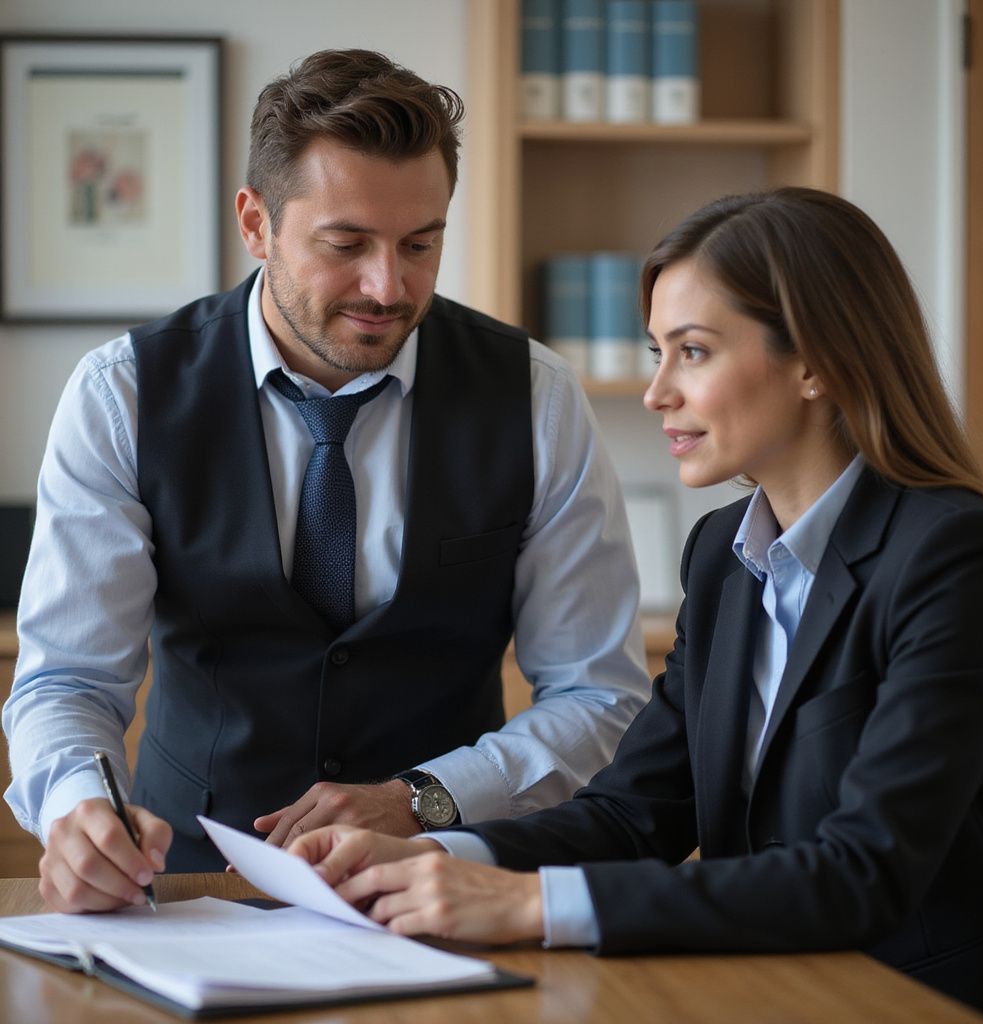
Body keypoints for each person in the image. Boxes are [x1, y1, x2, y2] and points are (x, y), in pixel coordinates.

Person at [286, 188, 983, 1021]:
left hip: (913, 1002)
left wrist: (530, 907)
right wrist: (433, 858)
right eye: (656, 353)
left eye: (695, 353)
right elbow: (636, 813)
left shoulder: (954, 555)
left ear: (817, 361)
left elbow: (865, 872)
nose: (657, 392)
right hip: (764, 989)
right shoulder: (722, 555)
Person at [2, 50, 650, 909]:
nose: (389, 286)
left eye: (421, 245)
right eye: (346, 244)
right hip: (188, 884)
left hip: (444, 886)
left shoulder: (535, 396)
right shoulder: (122, 394)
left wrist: (427, 797)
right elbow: (71, 679)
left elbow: (599, 693)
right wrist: (81, 808)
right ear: (256, 223)